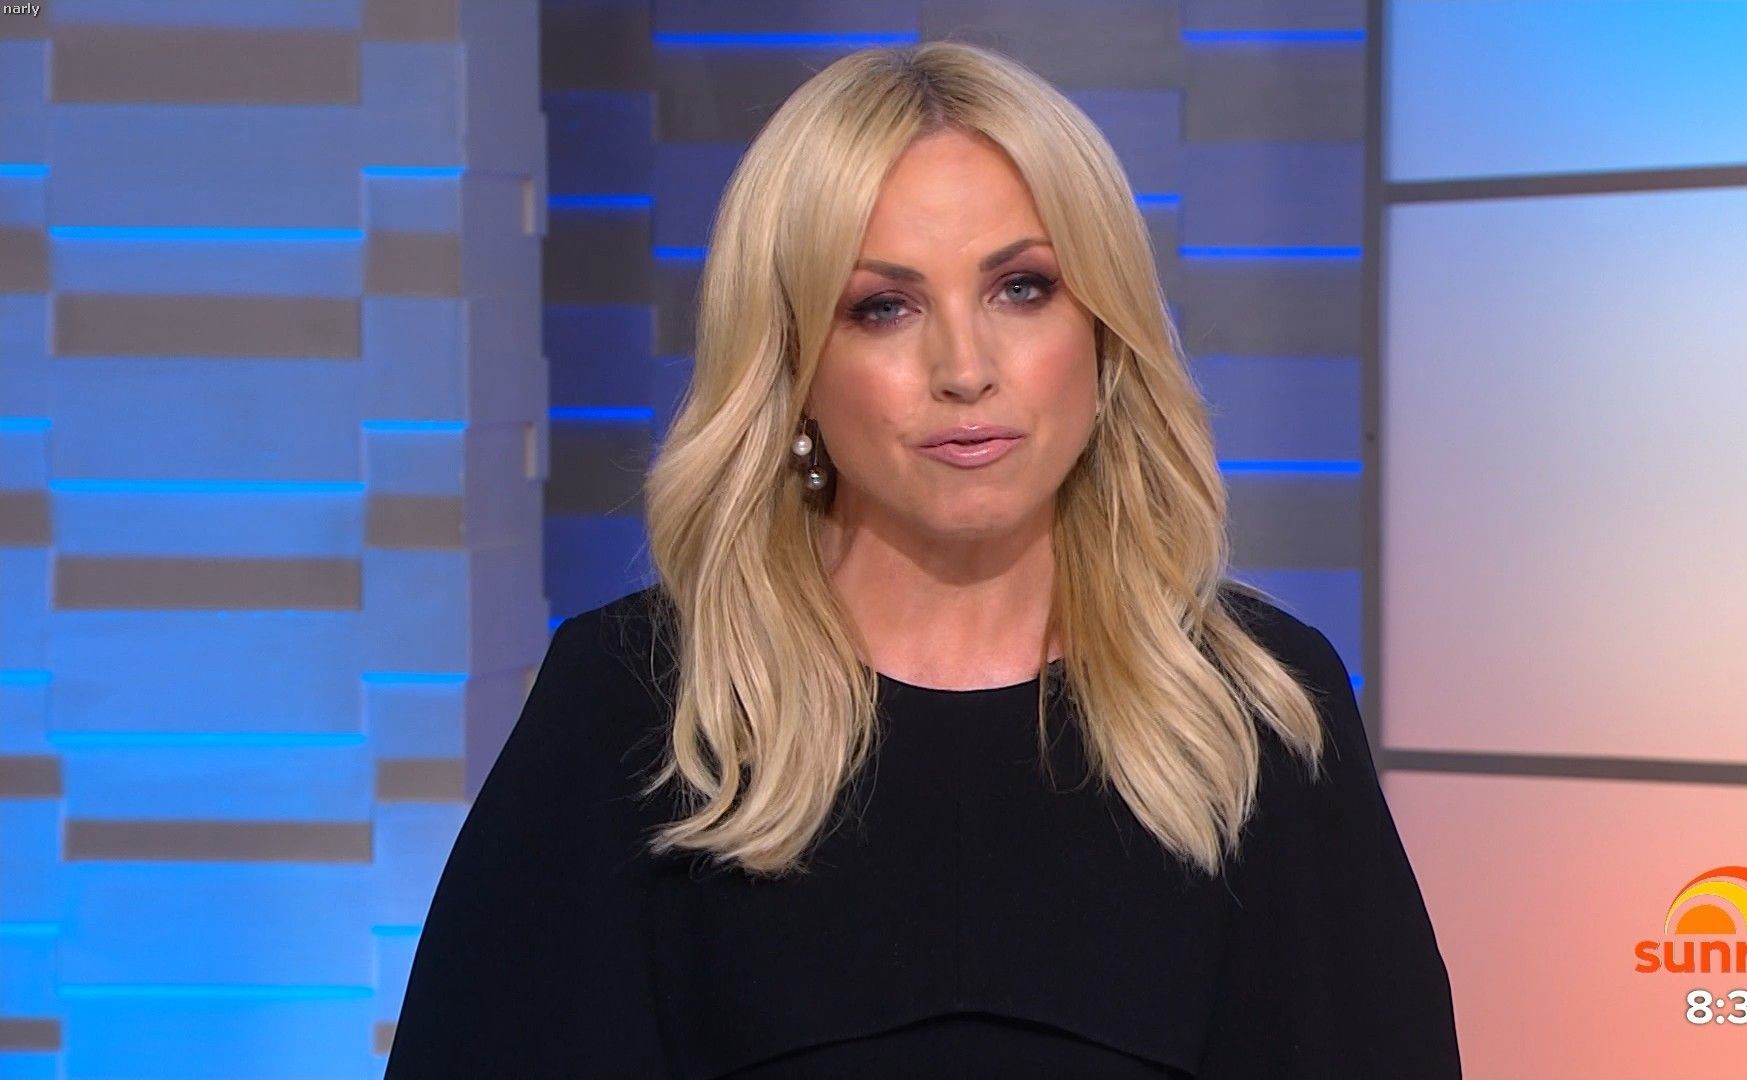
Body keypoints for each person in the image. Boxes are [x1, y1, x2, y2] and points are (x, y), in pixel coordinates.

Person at [385, 40, 1459, 1079]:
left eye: (1021, 288)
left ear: (1103, 333)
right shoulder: (633, 710)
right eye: (883, 307)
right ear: (793, 365)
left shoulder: (1258, 713)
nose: (964, 367)